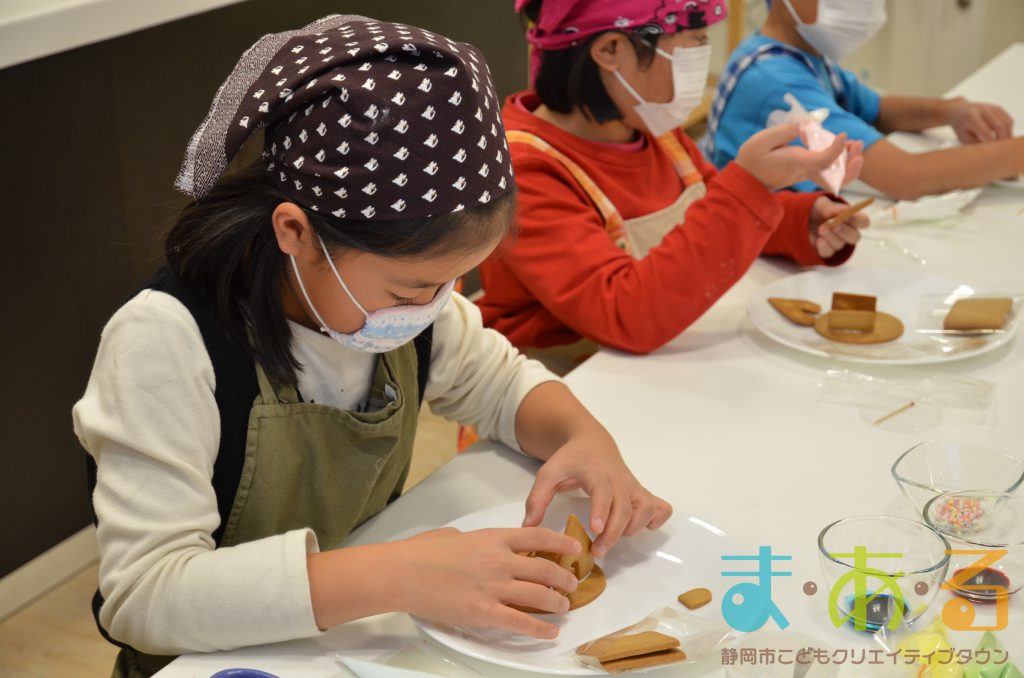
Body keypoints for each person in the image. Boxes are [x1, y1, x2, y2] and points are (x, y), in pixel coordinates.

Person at [72, 15, 671, 677]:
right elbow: (144, 595)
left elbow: (501, 383)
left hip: (344, 641)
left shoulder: (404, 313)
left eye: (454, 282)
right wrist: (399, 573)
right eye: (413, 289)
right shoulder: (165, 343)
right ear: (295, 232)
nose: (438, 307)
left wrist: (582, 439)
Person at [476, 0, 868, 372]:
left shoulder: (653, 130)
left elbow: (713, 217)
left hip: (656, 366)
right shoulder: (526, 172)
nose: (702, 59)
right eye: (692, 46)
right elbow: (625, 312)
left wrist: (802, 222)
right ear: (611, 49)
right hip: (557, 398)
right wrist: (749, 186)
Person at [706, 0, 1024, 199]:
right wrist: (1015, 154)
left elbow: (876, 110)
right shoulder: (774, 80)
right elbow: (908, 177)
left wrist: (949, 110)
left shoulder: (803, 55)